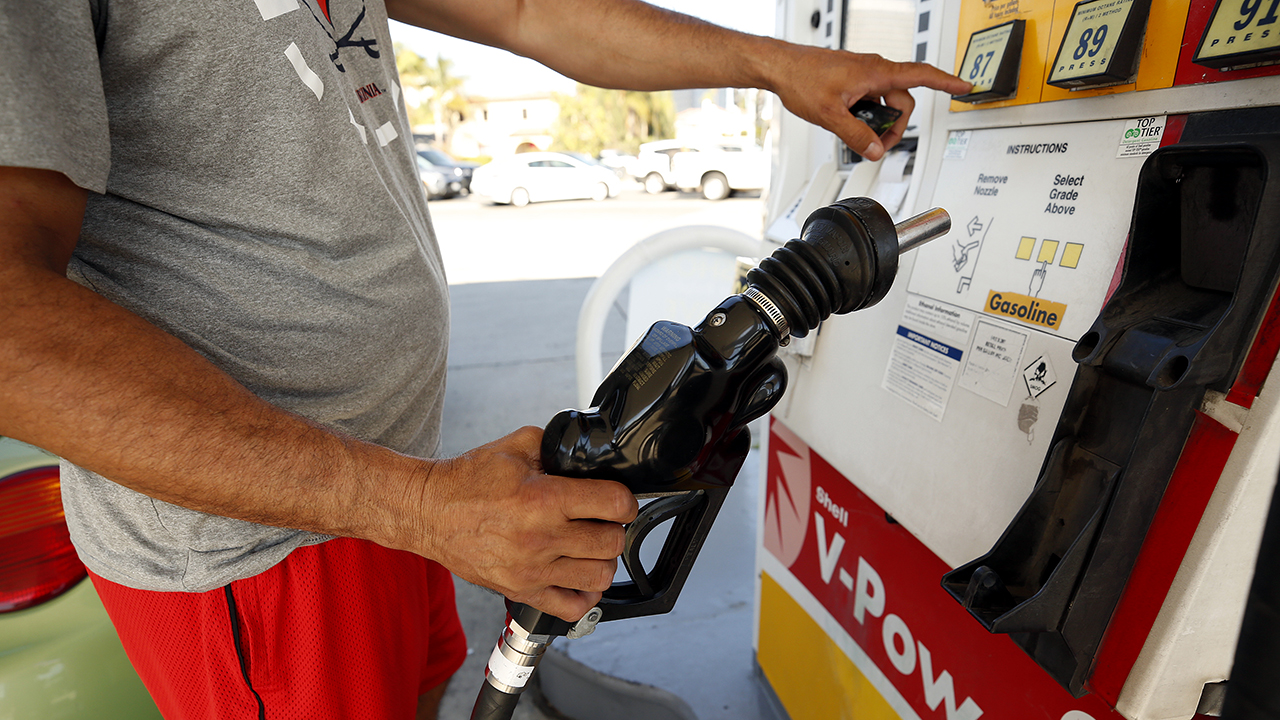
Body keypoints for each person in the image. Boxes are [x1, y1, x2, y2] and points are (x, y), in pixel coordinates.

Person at [0, 0, 969, 717]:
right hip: (260, 549)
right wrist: (411, 506)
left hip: (400, 492)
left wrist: (772, 63)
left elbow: (521, 10)